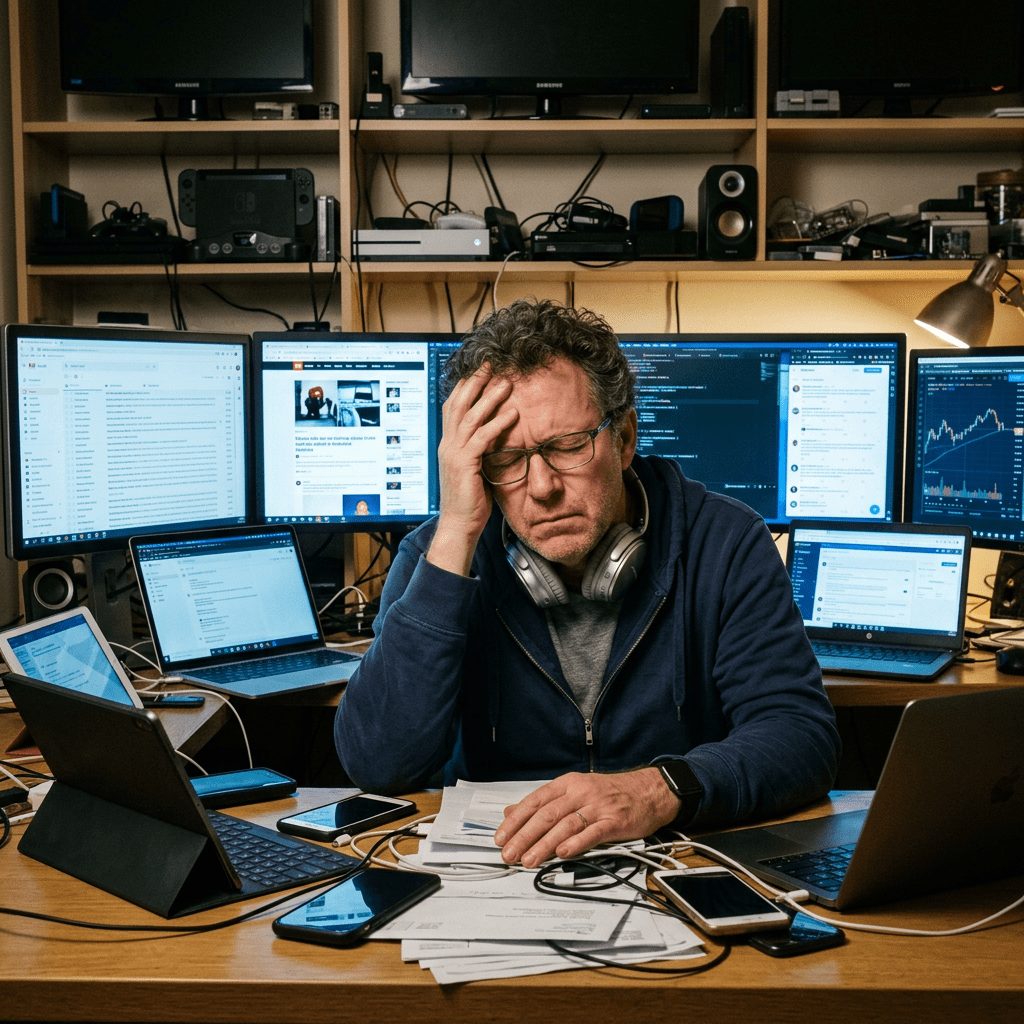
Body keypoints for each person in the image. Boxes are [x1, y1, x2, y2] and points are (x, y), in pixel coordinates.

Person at [335, 298, 840, 869]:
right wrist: (455, 532)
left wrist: (658, 790)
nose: (542, 487)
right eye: (506, 460)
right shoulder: (441, 553)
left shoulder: (727, 542)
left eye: (568, 447)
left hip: (677, 864)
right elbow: (377, 764)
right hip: (497, 872)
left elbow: (800, 737)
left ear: (624, 439)